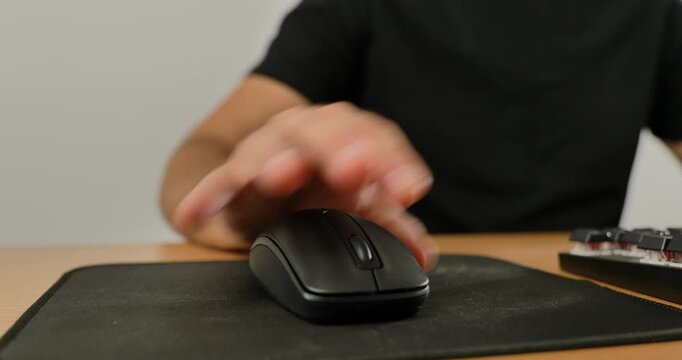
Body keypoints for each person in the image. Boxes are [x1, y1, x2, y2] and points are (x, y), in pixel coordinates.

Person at [161, 0, 682, 271]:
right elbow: (203, 155)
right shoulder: (360, 8)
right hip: (397, 296)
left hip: (586, 311)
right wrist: (248, 202)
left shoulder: (653, 15)